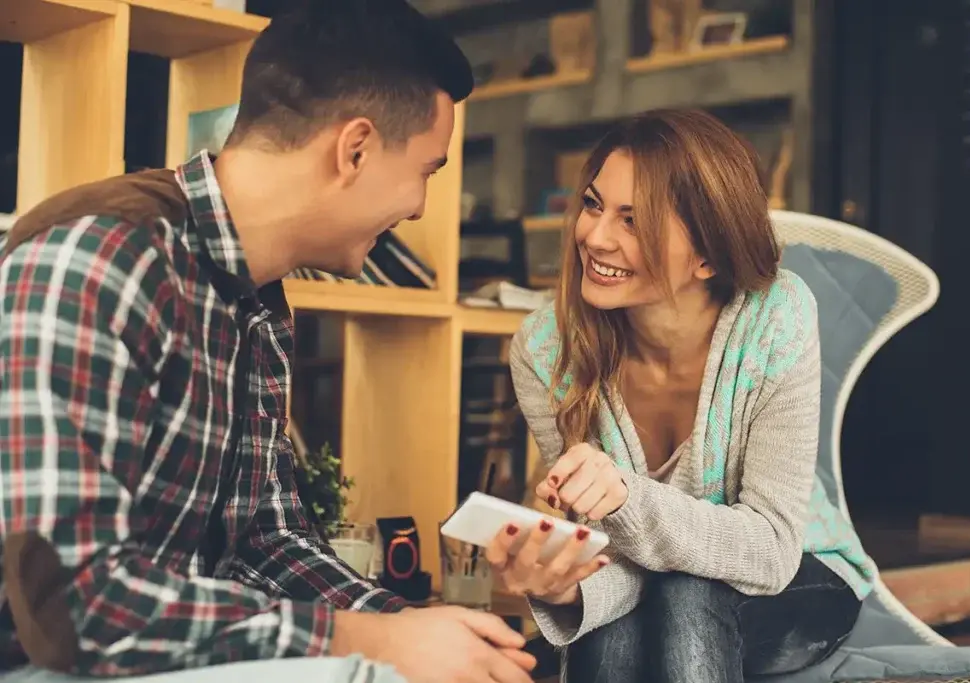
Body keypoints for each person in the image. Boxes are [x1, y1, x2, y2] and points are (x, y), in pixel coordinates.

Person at [0, 2, 545, 682]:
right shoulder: (102, 257)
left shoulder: (255, 296)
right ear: (355, 149)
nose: (419, 209)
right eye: (426, 171)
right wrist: (367, 641)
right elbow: (73, 610)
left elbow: (266, 540)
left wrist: (402, 625)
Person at [483, 109, 880, 683]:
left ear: (709, 255)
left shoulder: (776, 318)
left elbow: (770, 550)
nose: (595, 237)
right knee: (619, 614)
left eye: (633, 221)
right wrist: (572, 593)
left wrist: (626, 502)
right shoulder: (547, 349)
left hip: (799, 574)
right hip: (648, 584)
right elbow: (608, 555)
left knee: (685, 594)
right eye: (594, 205)